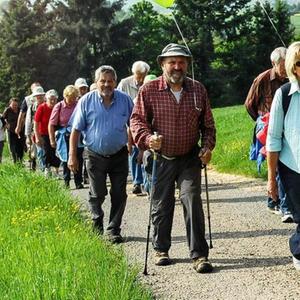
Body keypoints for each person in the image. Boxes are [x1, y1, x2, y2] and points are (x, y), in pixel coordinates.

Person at [130, 43, 216, 273]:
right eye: (172, 62)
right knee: (161, 204)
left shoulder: (198, 90)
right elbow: (137, 121)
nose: (177, 66)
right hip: (160, 158)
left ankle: (199, 255)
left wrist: (207, 148)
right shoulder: (148, 91)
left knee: (192, 200)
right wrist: (148, 140)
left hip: (189, 157)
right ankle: (161, 249)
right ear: (162, 64)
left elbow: (208, 127)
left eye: (181, 62)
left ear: (187, 64)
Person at [67, 65, 133, 244]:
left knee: (119, 193)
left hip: (119, 154)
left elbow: (134, 125)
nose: (106, 84)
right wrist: (72, 155)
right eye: (102, 81)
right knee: (98, 193)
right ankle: (97, 224)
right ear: (96, 82)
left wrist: (136, 146)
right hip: (94, 154)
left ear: (115, 82)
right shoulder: (86, 101)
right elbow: (75, 131)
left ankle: (113, 229)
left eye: (110, 81)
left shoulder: (125, 100)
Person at [245, 47, 293, 222]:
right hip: (268, 127)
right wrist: (261, 122)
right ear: (274, 63)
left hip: (289, 128)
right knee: (277, 163)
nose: (287, 68)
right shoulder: (263, 79)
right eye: (283, 64)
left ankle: (277, 201)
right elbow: (249, 104)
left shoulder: (293, 78)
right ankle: (278, 202)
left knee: (284, 164)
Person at [266, 41, 300, 271]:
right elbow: (273, 139)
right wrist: (271, 179)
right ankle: (297, 251)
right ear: (293, 67)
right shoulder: (285, 94)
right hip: (293, 167)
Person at [117, 61, 150, 195]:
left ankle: (147, 182)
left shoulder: (149, 82)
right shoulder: (124, 83)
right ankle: (137, 182)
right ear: (133, 73)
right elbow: (117, 100)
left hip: (145, 122)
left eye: (143, 75)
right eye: (138, 75)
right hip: (129, 123)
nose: (141, 78)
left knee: (146, 153)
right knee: (134, 152)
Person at [49, 85, 83, 189]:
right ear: (65, 96)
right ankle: (66, 181)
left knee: (78, 158)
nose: (72, 100)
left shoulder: (78, 105)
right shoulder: (59, 106)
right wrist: (52, 140)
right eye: (70, 97)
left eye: (74, 97)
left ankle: (78, 181)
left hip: (77, 135)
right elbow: (51, 124)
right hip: (64, 136)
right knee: (65, 159)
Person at [34, 89, 60, 177]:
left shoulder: (58, 107)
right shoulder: (41, 107)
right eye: (50, 99)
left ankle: (56, 171)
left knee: (56, 151)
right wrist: (37, 137)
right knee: (46, 151)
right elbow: (36, 123)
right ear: (46, 99)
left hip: (56, 132)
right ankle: (47, 169)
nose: (53, 101)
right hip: (44, 133)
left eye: (54, 99)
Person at [25, 86, 47, 171]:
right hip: (34, 133)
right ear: (34, 97)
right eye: (37, 96)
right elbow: (28, 121)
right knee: (36, 152)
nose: (39, 97)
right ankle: (38, 168)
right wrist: (27, 136)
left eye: (40, 95)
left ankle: (45, 169)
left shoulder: (47, 105)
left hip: (45, 132)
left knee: (44, 152)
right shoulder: (32, 107)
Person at [3, 98, 25, 163]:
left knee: (20, 146)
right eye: (13, 105)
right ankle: (14, 161)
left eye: (16, 105)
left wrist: (22, 125)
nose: (15, 106)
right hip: (11, 131)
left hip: (20, 131)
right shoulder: (7, 110)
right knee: (12, 147)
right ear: (10, 104)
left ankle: (20, 160)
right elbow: (2, 118)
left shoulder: (20, 110)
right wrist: (6, 124)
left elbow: (23, 118)